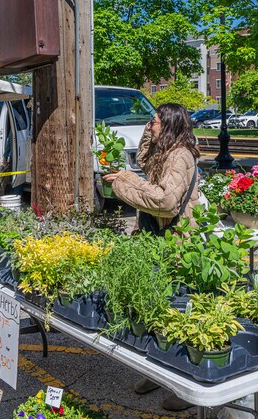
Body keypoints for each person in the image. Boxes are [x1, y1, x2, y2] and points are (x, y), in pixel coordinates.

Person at [103, 102, 200, 412]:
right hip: (154, 238)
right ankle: (157, 371)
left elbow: (166, 201)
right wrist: (148, 134)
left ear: (169, 125)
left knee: (175, 312)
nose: (151, 124)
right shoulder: (165, 152)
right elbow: (145, 163)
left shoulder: (180, 156)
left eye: (155, 121)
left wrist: (124, 182)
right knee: (152, 309)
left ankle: (185, 388)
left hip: (173, 242)